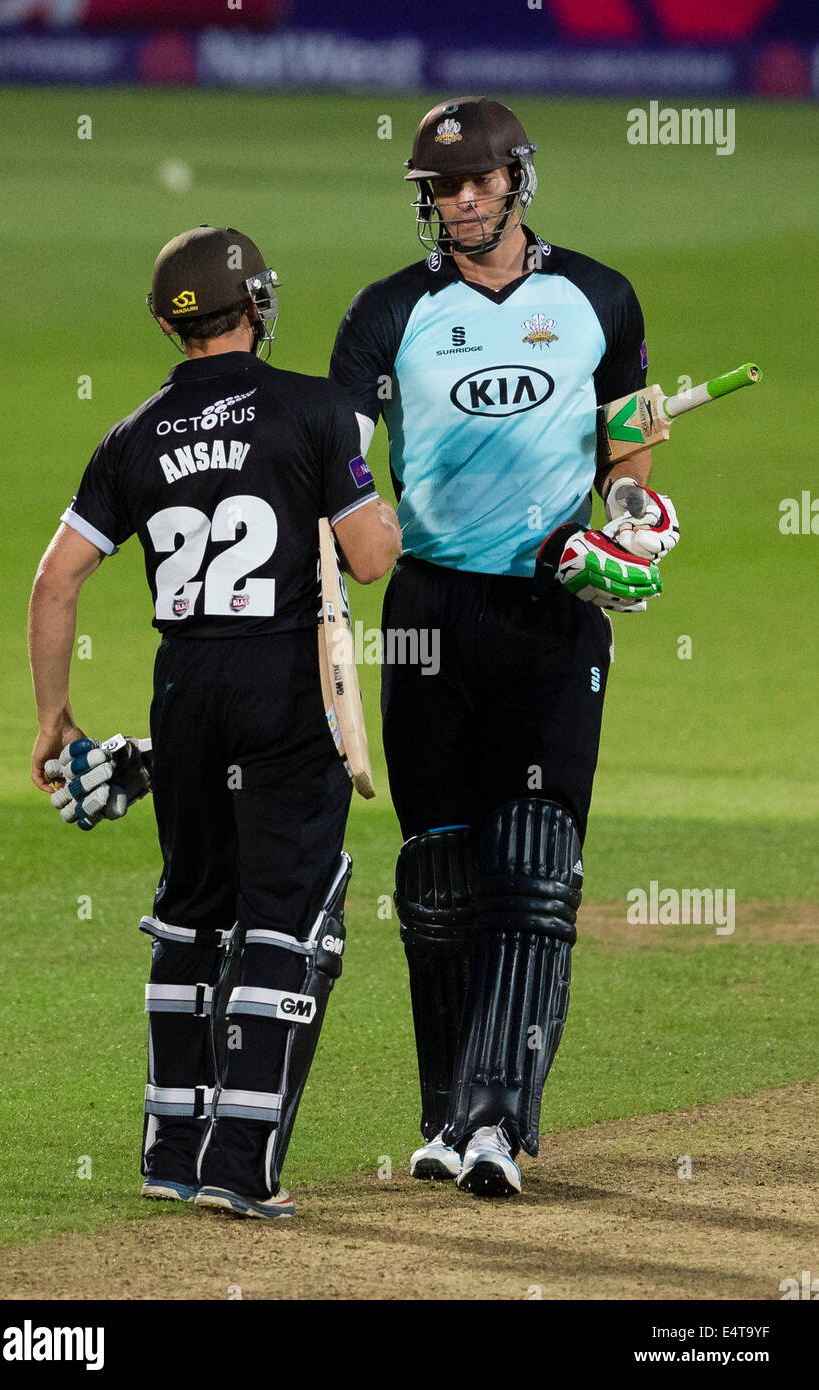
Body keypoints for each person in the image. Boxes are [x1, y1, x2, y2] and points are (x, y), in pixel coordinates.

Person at [329, 96, 678, 1197]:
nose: (463, 201)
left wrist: (625, 521)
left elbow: (626, 457)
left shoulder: (597, 299)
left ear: (515, 181)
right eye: (443, 186)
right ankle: (441, 1116)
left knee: (532, 867)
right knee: (436, 881)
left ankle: (495, 1120)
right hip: (429, 611)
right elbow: (338, 463)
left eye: (479, 181)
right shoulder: (387, 313)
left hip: (548, 608)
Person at [28, 224, 401, 1218]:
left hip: (182, 688)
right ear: (259, 305)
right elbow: (367, 559)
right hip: (283, 685)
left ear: (166, 324)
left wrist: (53, 719)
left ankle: (168, 1144)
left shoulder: (133, 433)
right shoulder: (318, 412)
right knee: (286, 918)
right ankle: (238, 1167)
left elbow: (55, 580)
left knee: (190, 912)